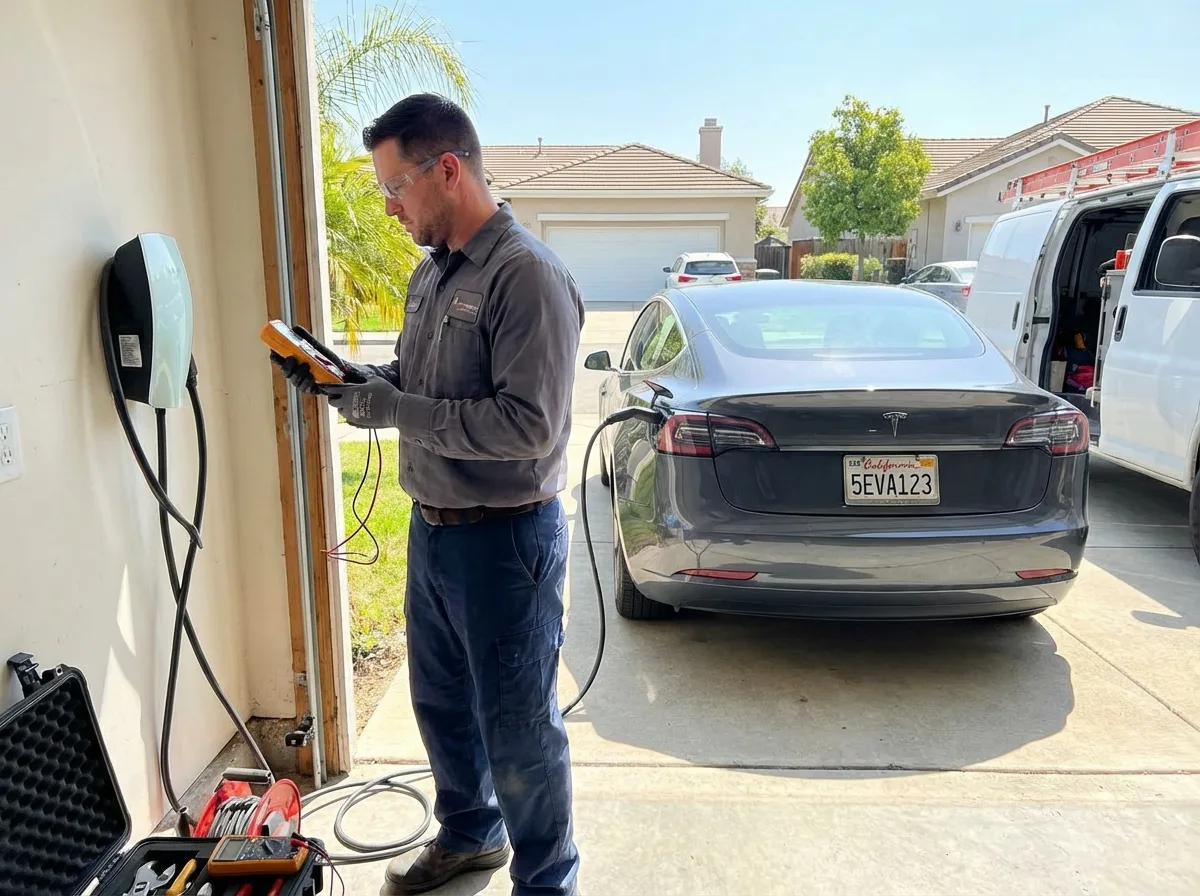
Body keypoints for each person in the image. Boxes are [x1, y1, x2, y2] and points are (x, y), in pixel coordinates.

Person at [272, 93, 584, 896]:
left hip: (506, 541)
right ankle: (472, 835)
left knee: (518, 727)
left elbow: (530, 428)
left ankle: (548, 881)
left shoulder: (527, 277)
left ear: (447, 170)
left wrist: (396, 409)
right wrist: (351, 381)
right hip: (435, 533)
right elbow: (417, 381)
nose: (388, 207)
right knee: (442, 703)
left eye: (395, 186)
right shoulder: (432, 273)